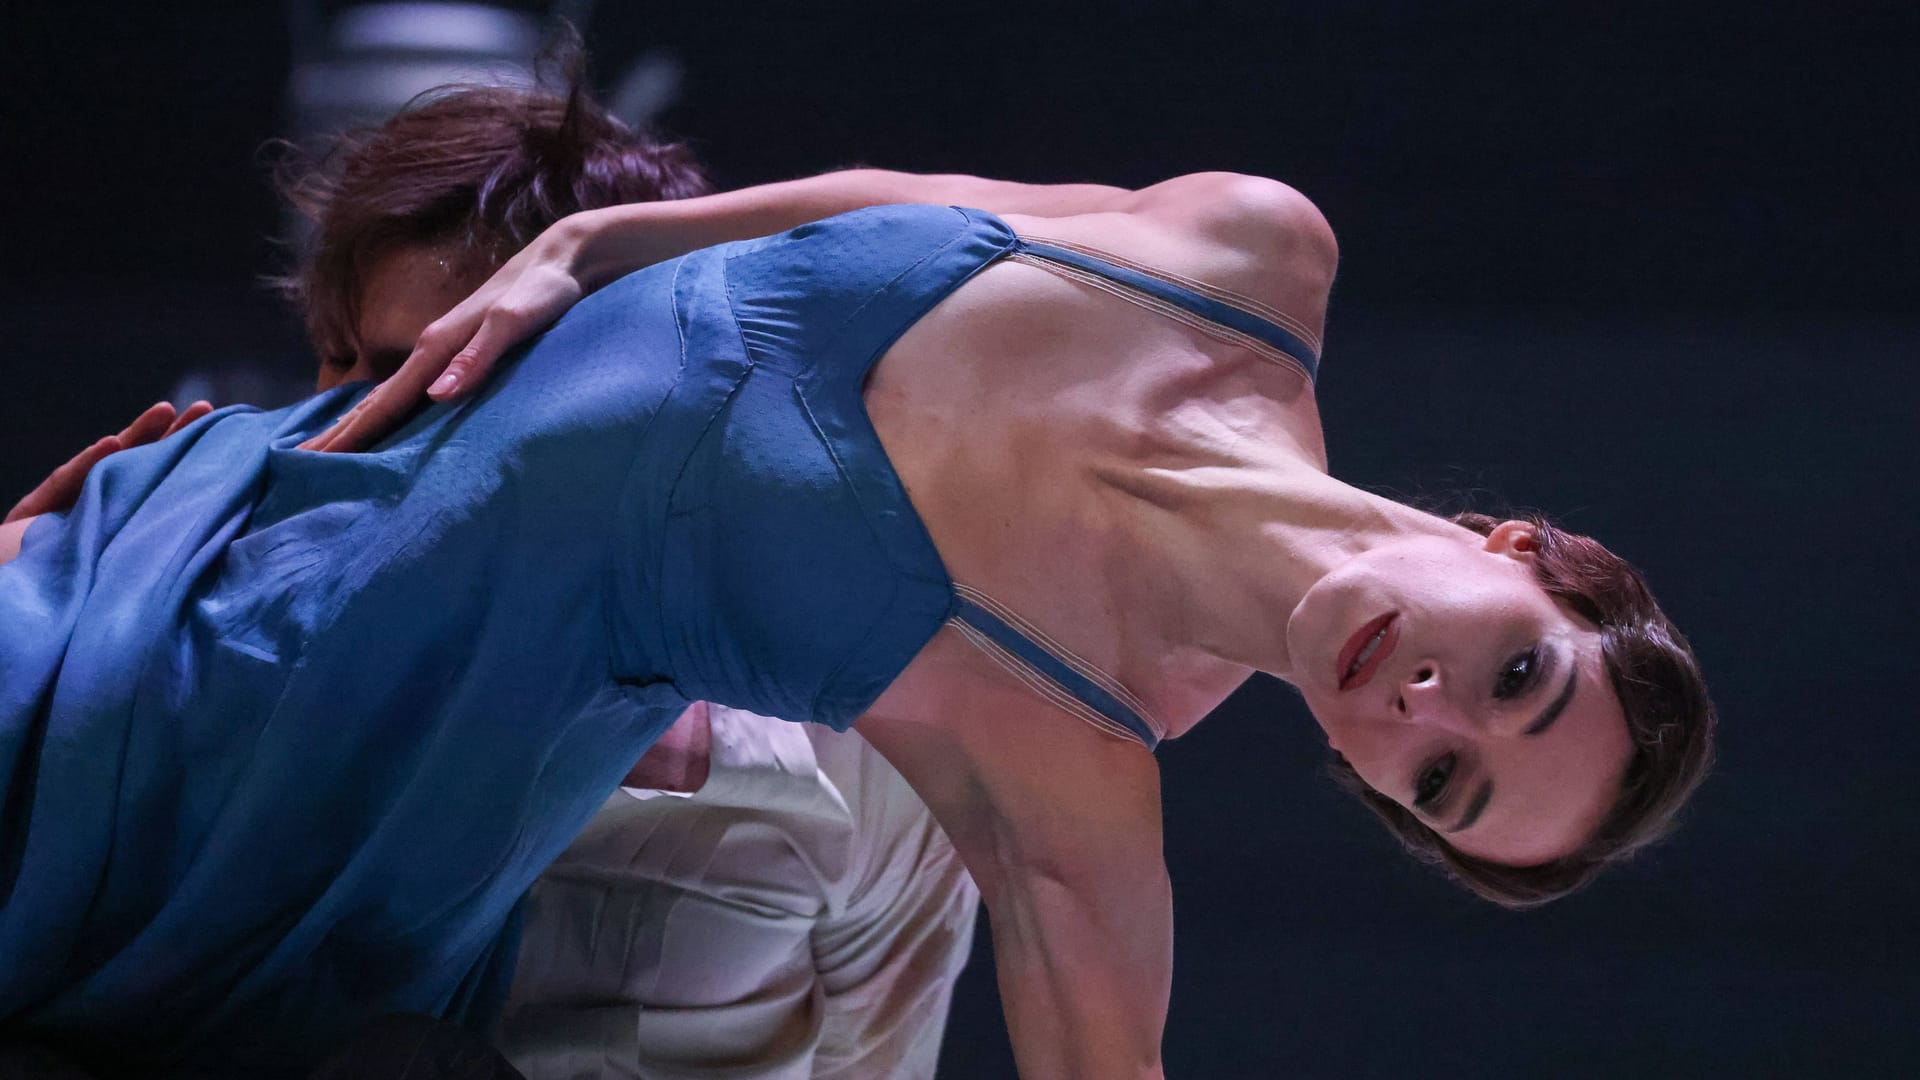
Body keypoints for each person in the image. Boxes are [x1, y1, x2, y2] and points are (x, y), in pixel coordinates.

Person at [0, 145, 1716, 1075]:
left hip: (311, 797)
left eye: (1445, 784)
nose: (1427, 703)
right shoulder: (1256, 260)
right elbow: (892, 202)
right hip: (224, 517)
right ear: (1527, 555)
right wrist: (594, 248)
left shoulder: (1075, 760)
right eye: (1515, 677)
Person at [4, 82, 979, 1080]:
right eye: (337, 369)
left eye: (434, 386)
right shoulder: (225, 682)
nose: (342, 439)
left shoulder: (867, 749)